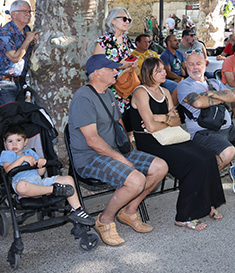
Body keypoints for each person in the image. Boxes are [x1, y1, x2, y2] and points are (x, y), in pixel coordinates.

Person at [68, 55, 168, 246]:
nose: (117, 72)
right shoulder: (83, 98)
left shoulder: (108, 93)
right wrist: (122, 160)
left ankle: (129, 211)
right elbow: (92, 140)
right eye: (112, 69)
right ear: (97, 73)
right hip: (90, 157)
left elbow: (118, 123)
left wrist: (127, 146)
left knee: (160, 167)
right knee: (136, 179)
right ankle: (104, 220)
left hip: (114, 151)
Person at [130, 58, 225, 231]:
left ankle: (209, 204)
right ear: (148, 73)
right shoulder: (141, 92)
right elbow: (150, 127)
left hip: (170, 137)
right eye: (159, 71)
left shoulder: (165, 92)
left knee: (209, 156)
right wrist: (166, 120)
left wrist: (161, 118)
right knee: (193, 163)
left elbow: (177, 121)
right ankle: (184, 215)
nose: (164, 73)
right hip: (150, 142)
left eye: (163, 70)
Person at [178, 51, 235, 197]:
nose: (195, 67)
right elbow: (198, 102)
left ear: (205, 64)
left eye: (198, 63)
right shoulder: (184, 85)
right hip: (203, 132)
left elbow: (233, 95)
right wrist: (220, 97)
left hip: (227, 128)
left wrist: (210, 95)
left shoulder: (213, 82)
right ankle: (202, 182)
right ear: (185, 66)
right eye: (191, 64)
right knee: (228, 152)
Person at [0, 124, 95, 226]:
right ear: (5, 143)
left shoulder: (30, 152)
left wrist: (42, 164)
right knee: (21, 186)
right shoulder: (7, 154)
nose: (14, 144)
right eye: (10, 141)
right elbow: (8, 170)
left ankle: (78, 210)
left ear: (25, 141)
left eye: (18, 140)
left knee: (68, 179)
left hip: (39, 183)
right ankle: (55, 190)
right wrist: (22, 159)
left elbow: (40, 173)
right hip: (24, 185)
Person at [0, 0, 39, 105]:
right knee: (9, 118)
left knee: (19, 117)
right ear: (13, 14)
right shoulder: (5, 32)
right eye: (24, 11)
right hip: (6, 83)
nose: (28, 14)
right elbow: (14, 58)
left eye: (30, 11)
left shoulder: (26, 29)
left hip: (21, 82)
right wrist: (28, 40)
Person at [93, 7, 138, 113]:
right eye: (124, 19)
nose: (127, 22)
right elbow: (95, 64)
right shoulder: (105, 40)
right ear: (113, 20)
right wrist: (118, 65)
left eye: (128, 20)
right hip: (110, 88)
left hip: (126, 86)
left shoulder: (126, 40)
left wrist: (134, 61)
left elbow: (129, 56)